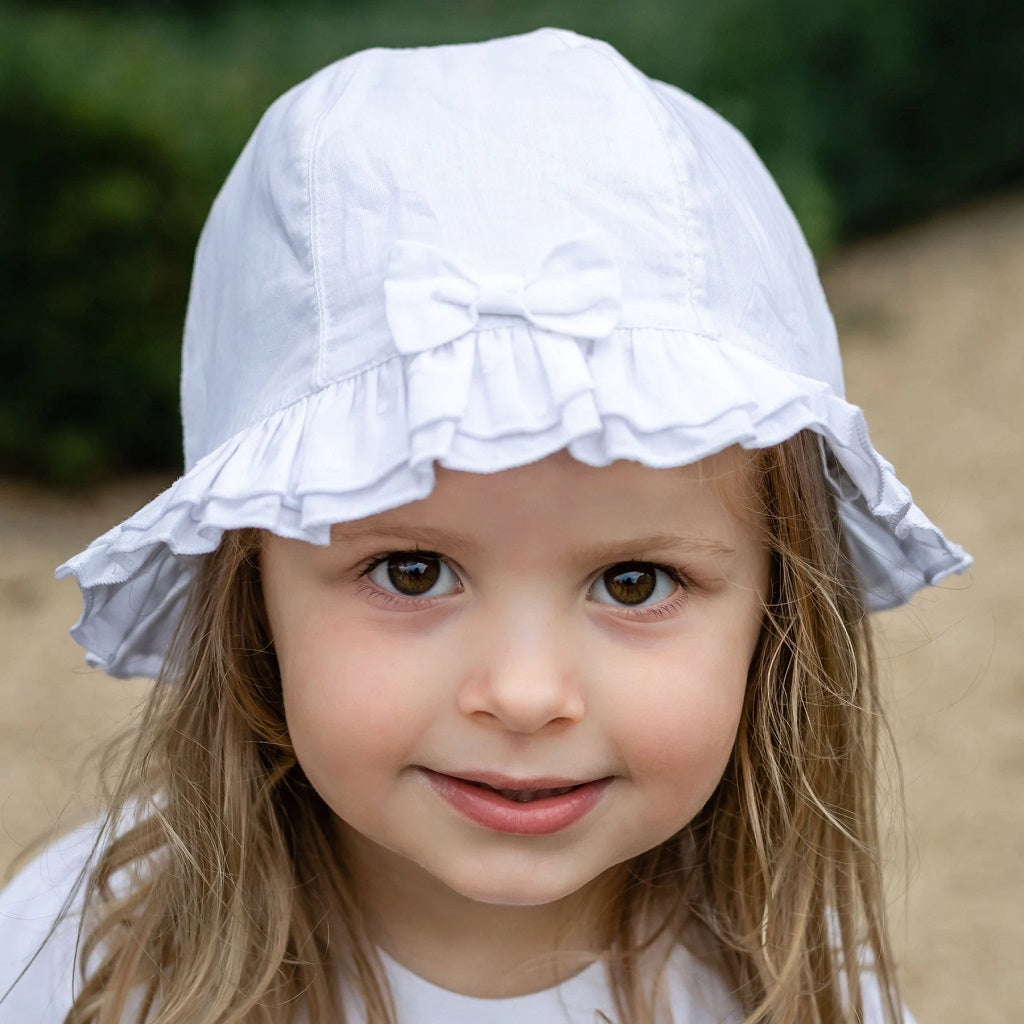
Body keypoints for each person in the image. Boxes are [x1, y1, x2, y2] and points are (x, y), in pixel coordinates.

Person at [0, 27, 970, 1024]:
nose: (522, 694)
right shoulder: (86, 969)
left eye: (632, 582)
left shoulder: (786, 986)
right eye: (412, 571)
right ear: (251, 588)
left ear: (774, 608)